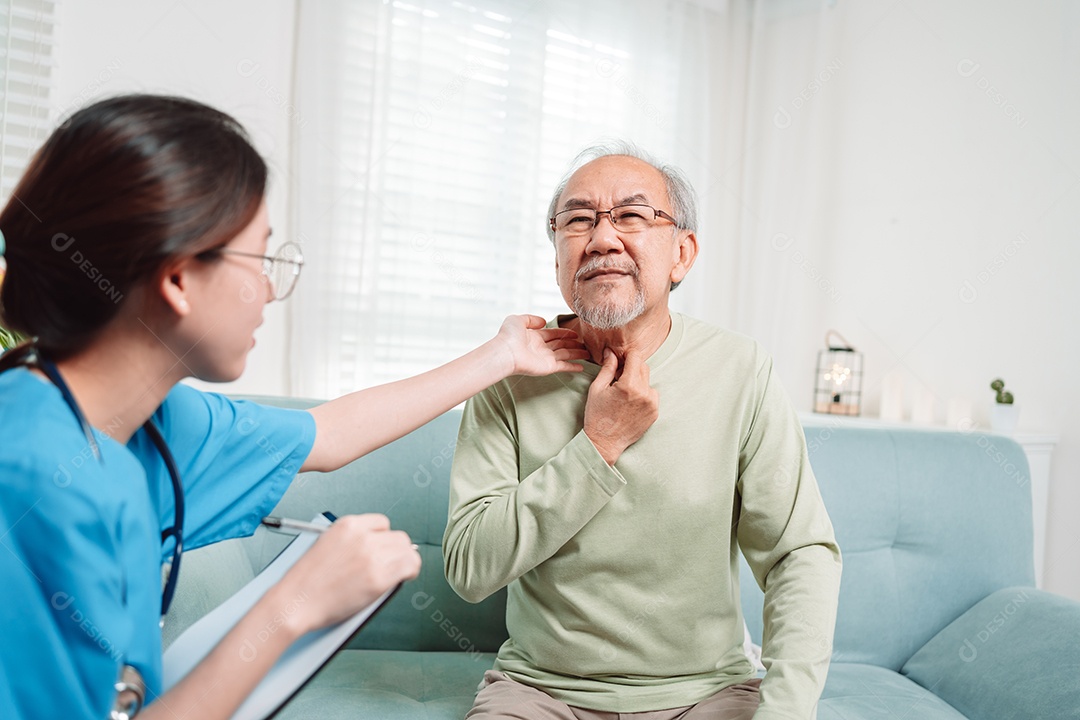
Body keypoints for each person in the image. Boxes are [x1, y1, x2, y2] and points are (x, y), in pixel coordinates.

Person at [0, 94, 589, 720]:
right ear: (177, 279)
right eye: (260, 259)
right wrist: (292, 607)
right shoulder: (33, 477)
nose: (270, 290)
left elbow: (328, 435)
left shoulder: (156, 426)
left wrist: (502, 356)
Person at [443, 141, 843, 719]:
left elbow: (798, 555)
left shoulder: (741, 369)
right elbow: (469, 569)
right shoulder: (510, 374)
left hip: (708, 694)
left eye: (631, 215)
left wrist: (786, 712)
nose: (602, 239)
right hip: (540, 693)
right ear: (557, 257)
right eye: (578, 220)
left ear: (682, 253)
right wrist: (597, 446)